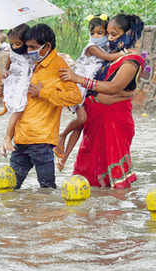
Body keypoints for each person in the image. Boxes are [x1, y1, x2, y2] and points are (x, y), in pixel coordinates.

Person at [59, 14, 145, 189]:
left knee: (116, 186)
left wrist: (79, 79)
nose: (110, 38)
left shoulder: (132, 59)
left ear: (128, 33)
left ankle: (113, 214)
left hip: (113, 125)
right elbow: (109, 88)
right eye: (108, 34)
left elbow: (113, 87)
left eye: (114, 34)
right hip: (94, 125)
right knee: (88, 182)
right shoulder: (108, 55)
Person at [0, 24, 82, 189]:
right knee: (9, 189)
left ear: (47, 46)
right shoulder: (27, 63)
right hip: (20, 139)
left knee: (47, 190)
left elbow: (75, 97)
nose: (28, 51)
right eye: (26, 47)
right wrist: (4, 91)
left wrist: (44, 92)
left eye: (33, 47)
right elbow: (19, 101)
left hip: (42, 142)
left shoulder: (59, 66)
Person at [56, 14, 127, 171]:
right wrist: (125, 54)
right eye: (93, 33)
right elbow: (108, 57)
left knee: (81, 125)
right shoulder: (92, 47)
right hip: (78, 86)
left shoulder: (107, 45)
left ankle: (64, 157)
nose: (96, 36)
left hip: (86, 87)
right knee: (82, 119)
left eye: (100, 33)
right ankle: (62, 134)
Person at [1, 23, 34, 157]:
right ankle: (7, 138)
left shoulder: (31, 52)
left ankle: (4, 144)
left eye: (18, 44)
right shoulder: (12, 52)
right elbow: (7, 66)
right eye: (12, 44)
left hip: (25, 82)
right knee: (18, 111)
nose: (14, 47)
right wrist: (5, 72)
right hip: (16, 84)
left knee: (19, 114)